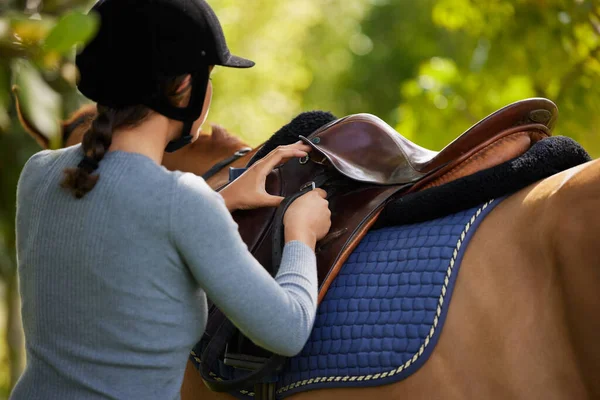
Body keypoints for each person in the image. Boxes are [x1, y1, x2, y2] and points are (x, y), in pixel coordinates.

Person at [10, 0, 331, 398]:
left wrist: (221, 200)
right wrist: (302, 232)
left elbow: (121, 226)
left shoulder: (38, 172)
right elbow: (287, 331)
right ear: (183, 87)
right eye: (208, 75)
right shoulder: (182, 202)